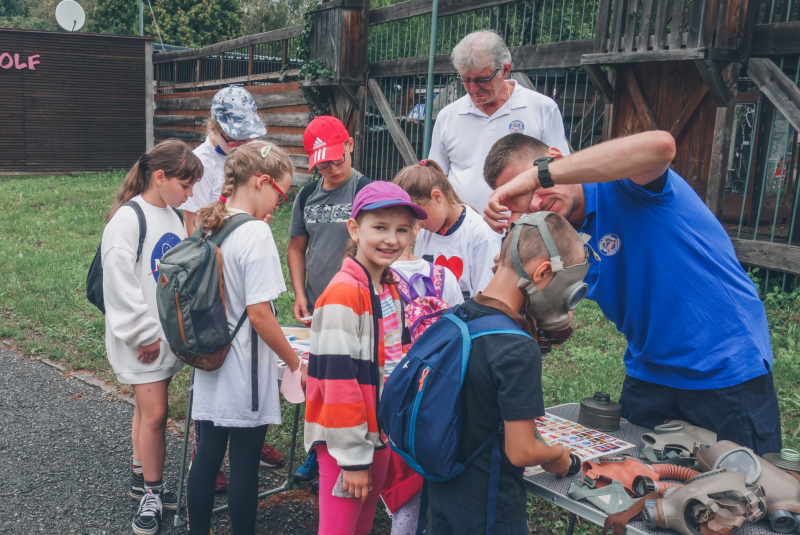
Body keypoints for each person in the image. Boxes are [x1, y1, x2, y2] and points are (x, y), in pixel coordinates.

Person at [482, 131, 782, 454]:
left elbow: (661, 146)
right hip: (649, 367)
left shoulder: (623, 182)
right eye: (523, 203)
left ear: (554, 159)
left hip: (722, 366)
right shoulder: (560, 234)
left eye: (535, 188)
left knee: (740, 494)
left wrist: (537, 176)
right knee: (642, 488)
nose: (536, 202)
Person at [428, 212, 581, 534]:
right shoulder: (516, 347)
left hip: (443, 489)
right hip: (490, 505)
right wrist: (561, 457)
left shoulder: (457, 316)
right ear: (542, 273)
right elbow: (522, 450)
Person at [186, 141, 308, 535]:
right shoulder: (254, 233)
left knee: (207, 455)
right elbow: (259, 314)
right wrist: (294, 362)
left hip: (209, 360)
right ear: (261, 181)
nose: (279, 203)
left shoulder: (209, 224)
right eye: (281, 194)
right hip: (243, 371)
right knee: (243, 463)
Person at [304, 182, 426, 535]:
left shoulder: (389, 289)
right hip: (345, 443)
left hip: (378, 436)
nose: (392, 239)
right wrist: (353, 459)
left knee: (360, 527)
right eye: (380, 227)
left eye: (402, 229)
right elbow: (339, 384)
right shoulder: (343, 293)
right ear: (355, 229)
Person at [179, 87, 284, 482]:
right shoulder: (201, 163)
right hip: (214, 277)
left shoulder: (253, 155)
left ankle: (246, 436)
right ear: (214, 126)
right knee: (216, 361)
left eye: (246, 135)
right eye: (233, 135)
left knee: (243, 368)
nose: (240, 141)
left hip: (240, 257)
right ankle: (206, 446)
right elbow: (196, 231)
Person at [101, 139, 203, 535]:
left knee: (147, 411)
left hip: (163, 337)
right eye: (185, 184)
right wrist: (143, 334)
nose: (190, 192)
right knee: (158, 415)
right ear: (159, 177)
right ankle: (152, 493)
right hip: (142, 340)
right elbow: (120, 284)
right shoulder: (128, 219)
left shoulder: (174, 216)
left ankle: (139, 473)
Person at [289, 115, 372, 484]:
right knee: (318, 377)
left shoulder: (366, 190)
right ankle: (317, 450)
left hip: (356, 302)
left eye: (337, 159)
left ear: (350, 145)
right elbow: (296, 245)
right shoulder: (307, 195)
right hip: (319, 304)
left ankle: (360, 448)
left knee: (352, 378)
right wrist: (299, 291)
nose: (332, 168)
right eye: (322, 163)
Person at [428, 29, 570, 214]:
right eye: (465, 79)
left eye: (481, 80)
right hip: (463, 232)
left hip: (524, 227)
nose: (472, 88)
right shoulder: (448, 116)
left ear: (505, 70)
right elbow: (436, 176)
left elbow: (561, 170)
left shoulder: (542, 108)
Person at [380, 224, 464, 535]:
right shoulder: (444, 277)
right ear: (418, 228)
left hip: (394, 392)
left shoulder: (378, 278)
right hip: (439, 389)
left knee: (400, 484)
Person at [394, 159, 500, 300]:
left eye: (418, 215)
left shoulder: (480, 233)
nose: (416, 224)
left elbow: (485, 296)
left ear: (437, 197)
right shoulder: (424, 232)